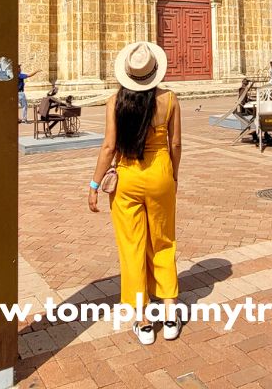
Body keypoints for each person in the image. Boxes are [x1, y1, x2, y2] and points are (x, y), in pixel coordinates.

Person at [89, 42, 182, 345]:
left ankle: (143, 322)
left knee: (132, 248)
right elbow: (176, 144)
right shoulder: (169, 100)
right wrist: (173, 176)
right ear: (155, 72)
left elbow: (108, 147)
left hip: (127, 178)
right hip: (160, 176)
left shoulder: (115, 101)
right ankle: (170, 316)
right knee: (163, 242)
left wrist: (94, 185)